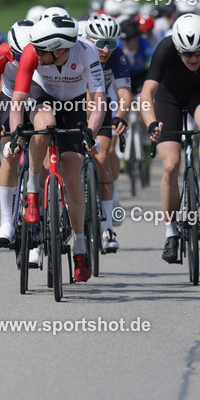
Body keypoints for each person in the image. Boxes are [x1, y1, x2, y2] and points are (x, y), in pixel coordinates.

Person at [9, 15, 106, 282]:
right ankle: (32, 192)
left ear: (60, 50)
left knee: (73, 172)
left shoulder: (86, 52)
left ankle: (80, 249)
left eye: (42, 51)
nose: (36, 54)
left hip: (74, 103)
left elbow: (99, 99)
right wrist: (18, 131)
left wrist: (91, 131)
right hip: (43, 96)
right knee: (44, 124)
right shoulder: (32, 52)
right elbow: (17, 99)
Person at [139, 13, 200, 263]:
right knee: (170, 165)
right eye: (187, 54)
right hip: (168, 98)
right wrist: (150, 122)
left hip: (198, 93)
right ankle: (170, 233)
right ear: (178, 47)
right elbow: (147, 93)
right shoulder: (164, 48)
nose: (193, 59)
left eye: (198, 54)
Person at [0, 20, 35, 248]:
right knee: (9, 153)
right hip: (9, 99)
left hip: (37, 98)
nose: (20, 61)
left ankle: (42, 216)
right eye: (16, 55)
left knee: (40, 156)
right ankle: (6, 222)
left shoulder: (41, 50)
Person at [82, 14, 132, 253]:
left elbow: (124, 95)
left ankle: (107, 227)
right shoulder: (79, 50)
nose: (106, 49)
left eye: (111, 44)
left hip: (102, 107)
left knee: (102, 157)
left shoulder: (117, 56)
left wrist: (121, 116)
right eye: (101, 43)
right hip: (75, 105)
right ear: (89, 39)